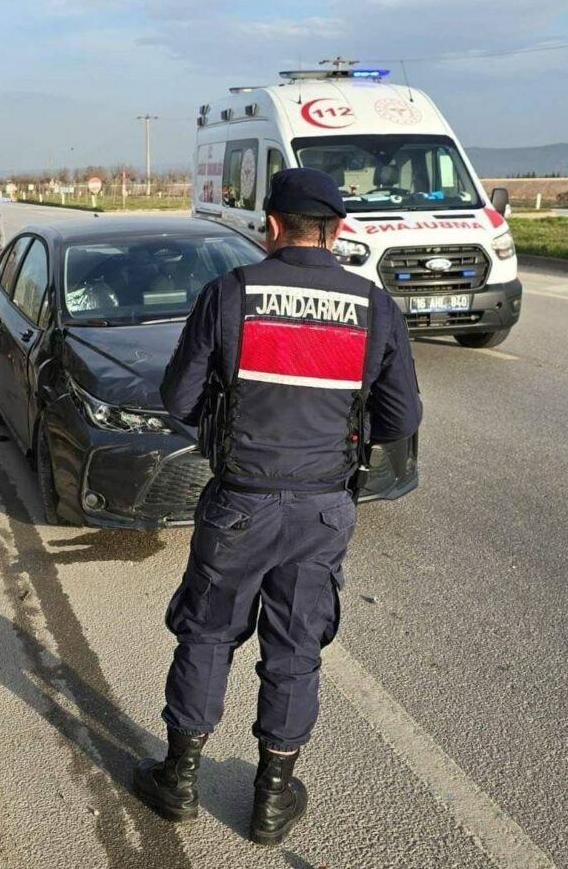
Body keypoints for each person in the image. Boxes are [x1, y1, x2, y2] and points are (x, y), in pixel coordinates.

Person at [132, 168, 421, 846]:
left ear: (270, 225)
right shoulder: (373, 306)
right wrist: (336, 438)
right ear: (339, 229)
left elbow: (178, 398)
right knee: (295, 647)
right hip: (322, 510)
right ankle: (270, 797)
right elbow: (401, 414)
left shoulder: (231, 294)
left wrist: (228, 430)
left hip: (240, 502)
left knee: (207, 633)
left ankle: (178, 779)